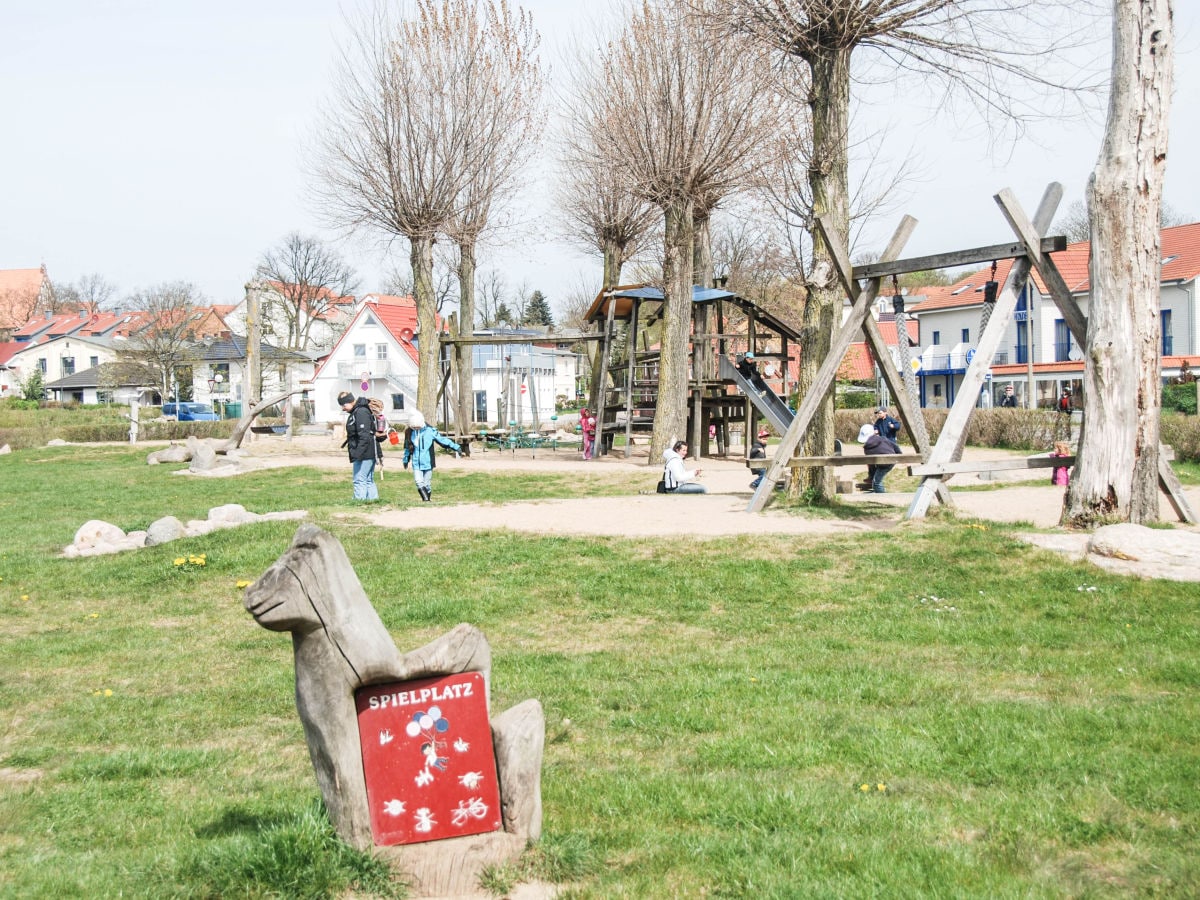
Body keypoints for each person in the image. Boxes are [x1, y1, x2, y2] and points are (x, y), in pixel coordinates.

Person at [402, 411, 461, 502]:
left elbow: (442, 440)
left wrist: (455, 447)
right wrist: (406, 459)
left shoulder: (430, 431)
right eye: (414, 427)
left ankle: (427, 499)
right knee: (418, 481)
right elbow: (407, 447)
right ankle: (426, 500)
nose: (416, 429)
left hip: (428, 462)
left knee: (427, 484)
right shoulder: (409, 433)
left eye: (418, 427)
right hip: (416, 462)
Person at [338, 390, 379, 502]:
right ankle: (373, 501)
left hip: (364, 452)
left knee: (359, 479)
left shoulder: (360, 412)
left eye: (344, 405)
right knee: (368, 479)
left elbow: (364, 436)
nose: (343, 408)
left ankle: (359, 501)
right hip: (367, 451)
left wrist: (357, 453)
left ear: (351, 401)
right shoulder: (358, 411)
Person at [860, 422, 900, 493]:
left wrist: (871, 475)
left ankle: (882, 496)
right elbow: (895, 446)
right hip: (892, 460)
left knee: (876, 482)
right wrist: (900, 456)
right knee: (877, 480)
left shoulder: (867, 449)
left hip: (883, 465)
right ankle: (878, 492)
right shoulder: (882, 438)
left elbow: (871, 464)